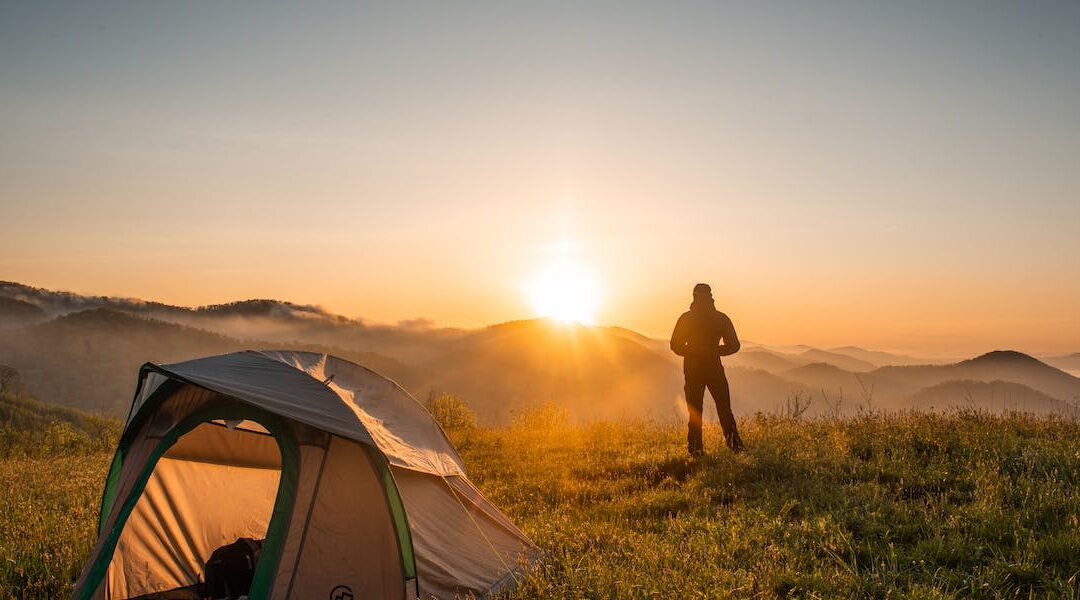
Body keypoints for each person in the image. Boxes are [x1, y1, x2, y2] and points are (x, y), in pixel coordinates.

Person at [670, 283, 743, 456]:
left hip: (692, 369)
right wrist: (714, 350)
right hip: (714, 369)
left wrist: (693, 351)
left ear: (694, 296)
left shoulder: (686, 318)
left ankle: (696, 450)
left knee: (695, 411)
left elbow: (675, 345)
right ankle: (735, 447)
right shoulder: (720, 318)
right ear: (711, 296)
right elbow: (734, 346)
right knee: (724, 409)